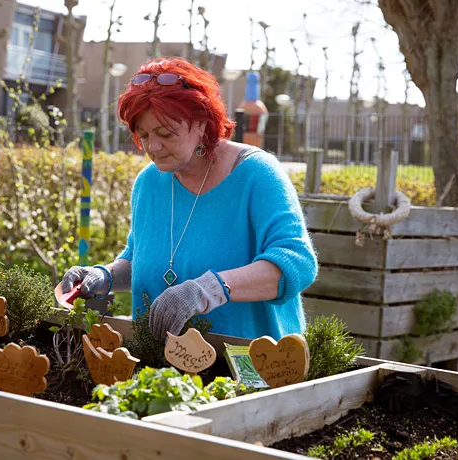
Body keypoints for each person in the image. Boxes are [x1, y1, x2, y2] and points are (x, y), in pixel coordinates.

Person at [61, 57, 318, 341]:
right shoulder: (149, 183)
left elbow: (297, 263)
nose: (153, 147)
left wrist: (210, 289)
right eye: (143, 135)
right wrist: (104, 276)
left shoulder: (256, 174)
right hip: (162, 367)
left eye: (165, 133)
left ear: (202, 123)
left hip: (250, 364)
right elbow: (142, 260)